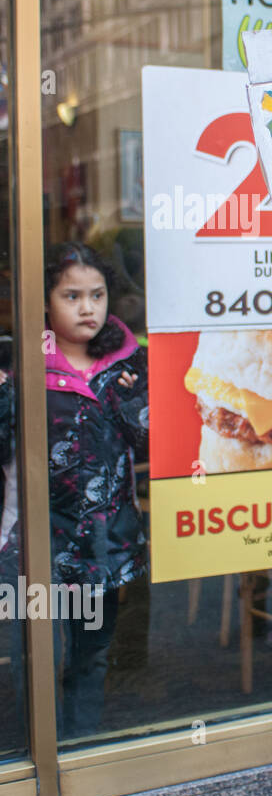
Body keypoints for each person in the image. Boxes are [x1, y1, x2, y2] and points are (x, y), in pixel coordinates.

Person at [0, 242, 149, 738]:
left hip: (104, 542)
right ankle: (44, 752)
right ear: (45, 300)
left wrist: (131, 403)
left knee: (92, 653)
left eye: (97, 294)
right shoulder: (22, 364)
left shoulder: (127, 362)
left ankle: (81, 748)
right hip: (38, 540)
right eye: (71, 296)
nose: (88, 307)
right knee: (38, 655)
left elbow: (151, 443)